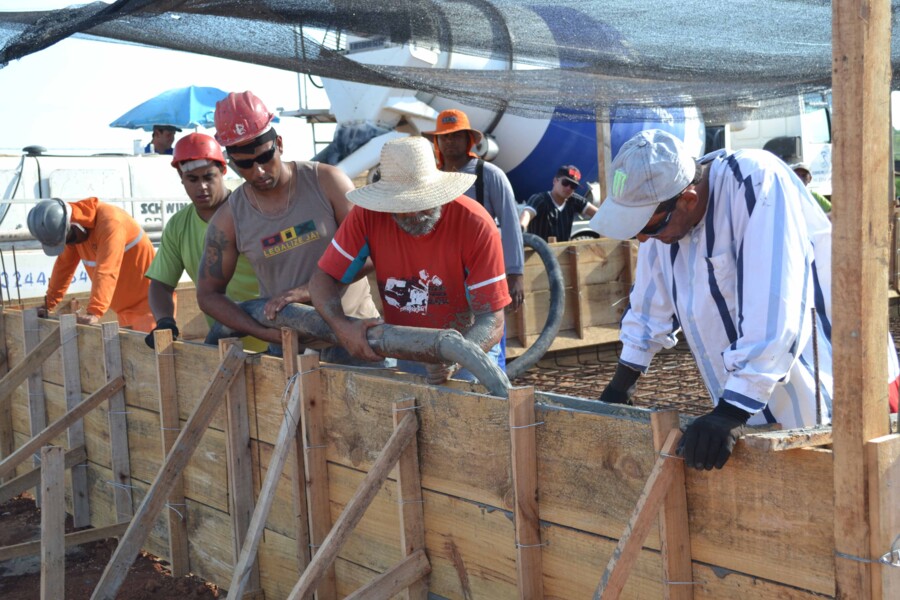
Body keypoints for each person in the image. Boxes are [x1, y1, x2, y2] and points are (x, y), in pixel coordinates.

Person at [589, 129, 899, 470]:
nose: (645, 240)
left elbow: (775, 306)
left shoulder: (754, 181)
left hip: (836, 393)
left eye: (650, 228)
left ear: (688, 199)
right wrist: (621, 386)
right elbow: (650, 305)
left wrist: (731, 411)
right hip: (752, 406)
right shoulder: (666, 223)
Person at [197, 90, 382, 359]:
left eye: (264, 157)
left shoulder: (328, 182)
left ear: (279, 144)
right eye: (245, 165)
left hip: (356, 338)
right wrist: (262, 332)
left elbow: (372, 252)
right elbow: (208, 295)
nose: (258, 171)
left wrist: (312, 290)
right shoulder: (229, 218)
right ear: (231, 162)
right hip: (288, 346)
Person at [310, 136, 511, 384]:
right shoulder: (367, 216)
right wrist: (342, 327)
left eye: (422, 202)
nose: (413, 213)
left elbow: (491, 319)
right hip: (408, 347)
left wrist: (456, 358)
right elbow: (323, 278)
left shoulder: (475, 223)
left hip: (470, 347)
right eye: (402, 205)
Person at [143, 132, 264, 350]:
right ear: (181, 177)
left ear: (223, 171)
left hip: (276, 339)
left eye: (209, 177)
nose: (202, 187)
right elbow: (161, 284)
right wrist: (165, 321)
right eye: (193, 179)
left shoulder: (253, 210)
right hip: (226, 346)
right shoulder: (178, 226)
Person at [422, 109, 525, 312]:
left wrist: (515, 274)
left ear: (469, 139)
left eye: (456, 135)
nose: (450, 141)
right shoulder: (430, 179)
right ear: (437, 142)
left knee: (488, 332)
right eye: (444, 136)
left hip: (483, 269)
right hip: (440, 276)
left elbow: (511, 223)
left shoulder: (489, 175)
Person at [27, 197, 155, 331]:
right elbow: (63, 267)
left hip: (149, 306)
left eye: (68, 239)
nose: (69, 244)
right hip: (125, 310)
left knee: (146, 350)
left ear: (75, 224)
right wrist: (48, 304)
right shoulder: (73, 233)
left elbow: (107, 269)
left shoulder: (111, 223)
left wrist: (94, 311)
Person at [519, 165, 599, 242]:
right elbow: (527, 214)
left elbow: (600, 215)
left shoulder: (574, 200)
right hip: (538, 253)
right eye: (565, 182)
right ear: (555, 181)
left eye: (573, 186)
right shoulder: (540, 199)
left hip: (563, 254)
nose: (568, 188)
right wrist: (520, 227)